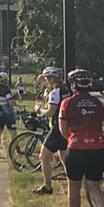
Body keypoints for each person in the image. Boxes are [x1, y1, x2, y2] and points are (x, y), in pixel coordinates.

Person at [59, 68, 104, 207]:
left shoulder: (67, 103)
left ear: (73, 85)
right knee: (94, 186)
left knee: (73, 187)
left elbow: (63, 130)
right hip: (97, 148)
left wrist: (72, 138)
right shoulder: (97, 103)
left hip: (76, 148)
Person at [33, 66, 69, 195]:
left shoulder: (55, 93)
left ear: (53, 78)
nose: (46, 81)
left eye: (47, 78)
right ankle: (72, 185)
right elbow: (49, 89)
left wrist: (39, 109)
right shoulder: (65, 90)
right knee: (63, 157)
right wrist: (43, 81)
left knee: (44, 156)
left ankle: (47, 187)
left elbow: (50, 112)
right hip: (66, 126)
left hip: (56, 127)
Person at [0, 72, 18, 158]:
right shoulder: (6, 90)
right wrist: (14, 101)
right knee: (12, 132)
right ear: (5, 80)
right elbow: (11, 103)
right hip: (8, 113)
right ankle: (16, 150)